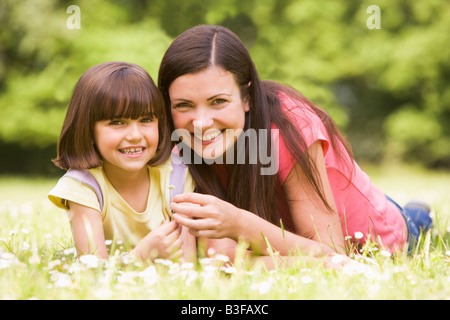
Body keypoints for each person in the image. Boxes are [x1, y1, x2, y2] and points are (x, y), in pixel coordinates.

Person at [157, 25, 432, 266]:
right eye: (184, 105)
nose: (202, 123)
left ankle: (418, 214)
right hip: (288, 246)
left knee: (415, 222)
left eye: (218, 101)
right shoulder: (178, 148)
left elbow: (334, 254)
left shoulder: (288, 127)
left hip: (381, 237)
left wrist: (239, 224)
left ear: (247, 98)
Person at [48, 61, 196, 262]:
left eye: (146, 120)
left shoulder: (176, 174)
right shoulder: (83, 187)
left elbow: (188, 264)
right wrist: (141, 255)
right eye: (117, 122)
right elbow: (92, 270)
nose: (135, 135)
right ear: (87, 129)